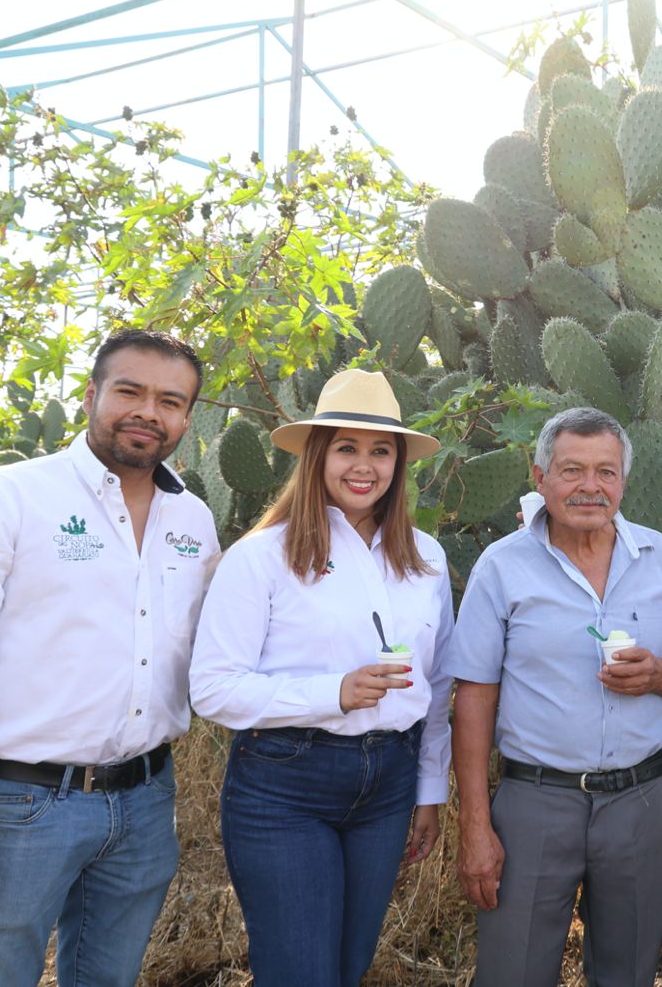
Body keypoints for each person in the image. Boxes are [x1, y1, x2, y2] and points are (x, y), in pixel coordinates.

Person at [0, 329, 217, 986]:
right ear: (90, 395)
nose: (148, 412)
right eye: (130, 391)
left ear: (187, 418)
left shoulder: (194, 520)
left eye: (170, 401)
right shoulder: (2, 500)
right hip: (18, 803)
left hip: (146, 801)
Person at [189, 368, 455, 986]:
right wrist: (331, 693)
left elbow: (438, 684)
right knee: (302, 974)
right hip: (286, 784)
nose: (364, 466)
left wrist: (428, 789)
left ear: (398, 464)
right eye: (346, 448)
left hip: (389, 784)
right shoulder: (262, 557)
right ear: (316, 456)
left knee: (348, 967)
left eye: (381, 451)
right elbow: (213, 687)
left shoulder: (427, 558)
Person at [452, 406, 662, 987]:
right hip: (536, 803)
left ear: (624, 481)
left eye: (605, 472)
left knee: (628, 972)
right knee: (513, 973)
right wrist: (475, 824)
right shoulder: (502, 567)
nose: (590, 486)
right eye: (572, 470)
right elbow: (474, 697)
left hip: (640, 802)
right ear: (540, 478)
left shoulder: (659, 559)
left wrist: (659, 675)